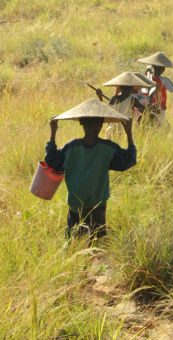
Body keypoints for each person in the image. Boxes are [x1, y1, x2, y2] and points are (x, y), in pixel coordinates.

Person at [45, 99, 136, 239]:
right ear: (101, 125)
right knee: (96, 243)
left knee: (73, 242)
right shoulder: (108, 148)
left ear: (81, 123)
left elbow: (52, 162)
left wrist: (53, 133)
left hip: (75, 206)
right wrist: (129, 133)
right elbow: (128, 161)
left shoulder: (71, 147)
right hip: (97, 205)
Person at [137, 52, 173, 123]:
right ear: (163, 69)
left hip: (143, 109)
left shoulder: (146, 79)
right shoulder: (164, 81)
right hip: (158, 111)